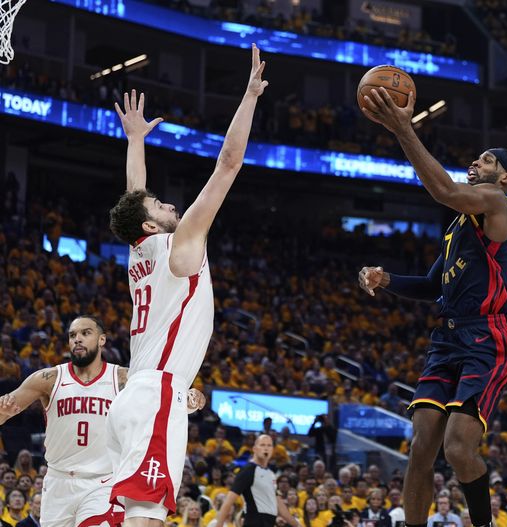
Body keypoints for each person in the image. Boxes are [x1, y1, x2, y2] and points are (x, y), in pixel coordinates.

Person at [358, 88, 507, 527]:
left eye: (487, 161)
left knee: (458, 448)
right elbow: (429, 285)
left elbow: (441, 189)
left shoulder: (499, 204)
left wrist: (404, 128)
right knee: (421, 447)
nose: (476, 163)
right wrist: (385, 281)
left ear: (504, 179)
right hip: (449, 336)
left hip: (489, 337)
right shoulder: (460, 225)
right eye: (476, 159)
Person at [106, 43, 268, 527]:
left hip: (143, 393)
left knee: (140, 513)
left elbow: (135, 194)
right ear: (151, 226)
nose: (167, 204)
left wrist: (135, 140)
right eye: (159, 206)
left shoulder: (141, 248)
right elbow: (228, 165)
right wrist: (250, 96)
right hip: (156, 393)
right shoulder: (180, 247)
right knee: (145, 517)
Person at [0, 316, 205, 527]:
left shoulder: (124, 378)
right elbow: (5, 409)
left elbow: (162, 397)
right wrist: (4, 410)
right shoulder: (49, 378)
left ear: (102, 340)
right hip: (57, 481)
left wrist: (189, 401)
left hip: (101, 483)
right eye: (72, 335)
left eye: (85, 333)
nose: (77, 339)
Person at [213, 435, 299, 527]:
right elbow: (228, 501)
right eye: (262, 445)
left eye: (269, 445)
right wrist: (219, 525)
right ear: (255, 449)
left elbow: (280, 506)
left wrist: (298, 525)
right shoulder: (248, 470)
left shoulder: (271, 474)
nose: (266, 448)